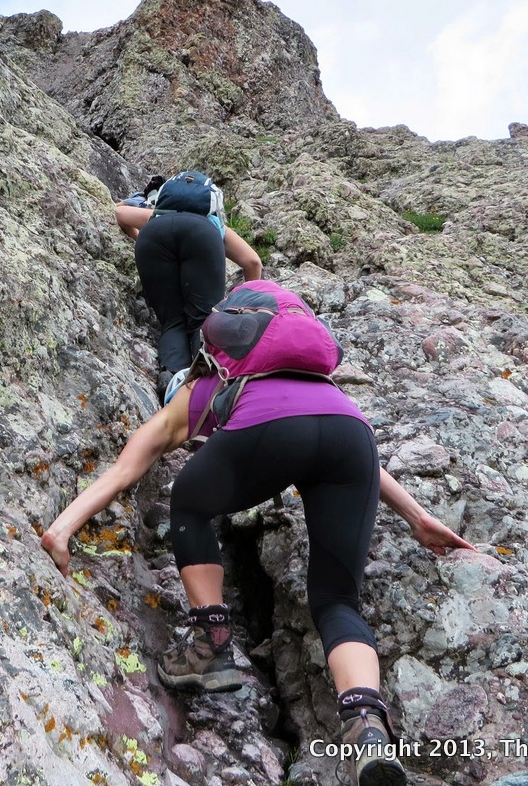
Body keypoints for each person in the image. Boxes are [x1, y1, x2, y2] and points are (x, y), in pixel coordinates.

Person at [41, 316, 474, 786]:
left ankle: (212, 640)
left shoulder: (194, 395)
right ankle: (366, 722)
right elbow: (352, 454)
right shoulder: (315, 384)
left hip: (270, 432)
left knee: (187, 501)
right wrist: (419, 519)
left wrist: (62, 529)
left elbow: (125, 471)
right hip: (351, 433)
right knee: (337, 601)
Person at [114, 175, 262, 402]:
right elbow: (252, 262)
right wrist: (244, 302)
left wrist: (140, 237)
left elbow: (120, 214)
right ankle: (207, 381)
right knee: (202, 320)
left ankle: (173, 376)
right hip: (201, 236)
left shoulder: (156, 215)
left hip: (153, 237)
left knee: (172, 321)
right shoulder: (212, 221)